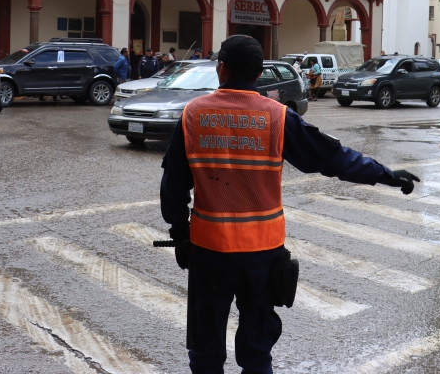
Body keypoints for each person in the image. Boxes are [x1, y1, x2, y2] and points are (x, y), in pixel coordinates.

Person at [160, 35, 418, 374]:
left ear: (220, 69)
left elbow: (173, 184)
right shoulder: (277, 117)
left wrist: (180, 234)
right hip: (263, 255)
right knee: (256, 352)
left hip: (209, 253)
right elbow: (333, 158)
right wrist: (385, 174)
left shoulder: (193, 114)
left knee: (206, 350)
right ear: (258, 74)